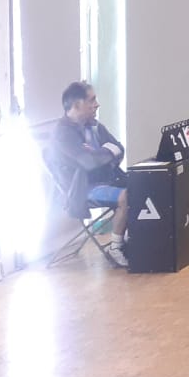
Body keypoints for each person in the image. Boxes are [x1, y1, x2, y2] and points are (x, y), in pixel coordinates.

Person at [47, 81, 130, 267]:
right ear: (77, 105)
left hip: (107, 180)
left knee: (145, 183)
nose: (97, 104)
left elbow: (119, 149)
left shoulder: (94, 126)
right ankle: (116, 248)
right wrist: (106, 153)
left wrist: (99, 154)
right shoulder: (63, 134)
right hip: (82, 190)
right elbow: (88, 162)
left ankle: (133, 239)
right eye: (92, 100)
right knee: (126, 196)